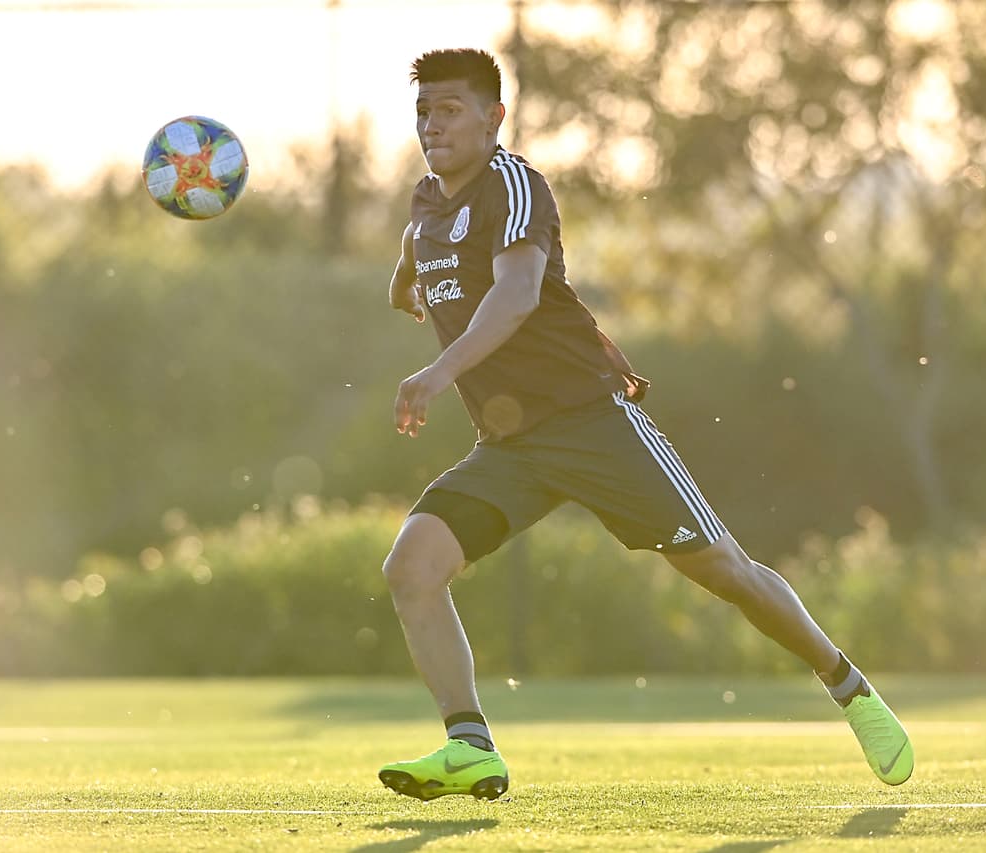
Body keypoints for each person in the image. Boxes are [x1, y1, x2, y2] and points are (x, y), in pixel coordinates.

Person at [377, 48, 913, 802]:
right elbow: (414, 258)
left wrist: (439, 370)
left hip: (594, 423)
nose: (434, 123)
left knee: (728, 573)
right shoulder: (425, 205)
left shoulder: (515, 183)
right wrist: (405, 281)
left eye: (451, 108)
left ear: (495, 117)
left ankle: (848, 685)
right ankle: (470, 745)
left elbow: (519, 292)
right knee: (411, 569)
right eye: (424, 110)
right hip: (510, 447)